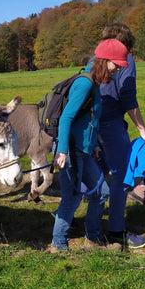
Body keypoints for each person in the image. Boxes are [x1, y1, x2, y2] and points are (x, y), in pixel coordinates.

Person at [49, 39, 128, 253]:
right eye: (116, 64)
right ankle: (58, 244)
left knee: (102, 191)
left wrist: (93, 145)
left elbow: (89, 120)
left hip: (84, 150)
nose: (118, 69)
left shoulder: (94, 83)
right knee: (72, 197)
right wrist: (63, 151)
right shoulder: (84, 84)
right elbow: (66, 118)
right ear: (104, 61)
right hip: (72, 150)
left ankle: (92, 240)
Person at [94, 22, 145, 249]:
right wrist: (142, 129)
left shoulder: (94, 59)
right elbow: (128, 98)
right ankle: (117, 231)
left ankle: (91, 227)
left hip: (90, 127)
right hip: (110, 126)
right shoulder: (125, 60)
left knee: (96, 178)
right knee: (122, 177)